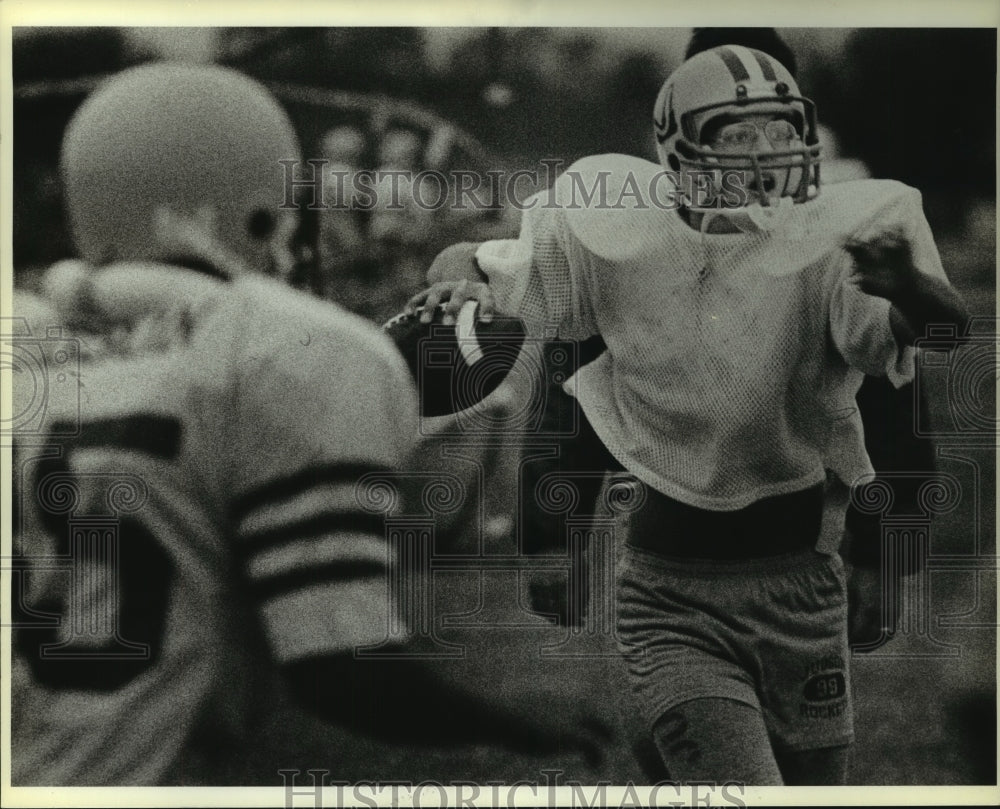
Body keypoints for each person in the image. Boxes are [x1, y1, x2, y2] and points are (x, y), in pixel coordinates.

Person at [9, 62, 607, 786]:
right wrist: (512, 721)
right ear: (260, 210)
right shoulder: (287, 348)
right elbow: (339, 668)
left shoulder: (27, 343)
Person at [408, 44, 969, 785]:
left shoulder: (837, 239)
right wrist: (457, 287)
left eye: (779, 129)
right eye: (739, 134)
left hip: (806, 584)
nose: (767, 151)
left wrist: (917, 290)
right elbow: (471, 265)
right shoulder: (621, 228)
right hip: (671, 594)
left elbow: (931, 336)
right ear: (680, 147)